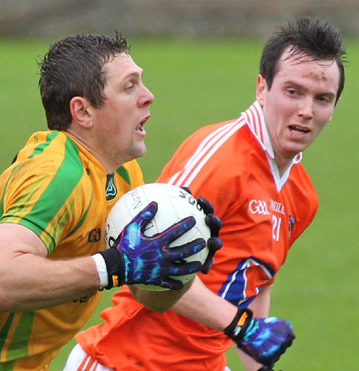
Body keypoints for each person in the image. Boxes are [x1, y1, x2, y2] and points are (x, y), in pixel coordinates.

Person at [0, 34, 222, 370]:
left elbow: (147, 297)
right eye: (129, 86)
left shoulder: (124, 176)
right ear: (83, 111)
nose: (148, 96)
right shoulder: (58, 173)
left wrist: (180, 264)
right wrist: (112, 266)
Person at [65, 17, 347, 371]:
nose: (306, 111)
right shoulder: (221, 158)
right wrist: (242, 327)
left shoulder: (302, 195)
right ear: (262, 88)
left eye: (322, 98)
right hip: (127, 359)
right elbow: (149, 269)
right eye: (293, 92)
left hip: (204, 363)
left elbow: (256, 284)